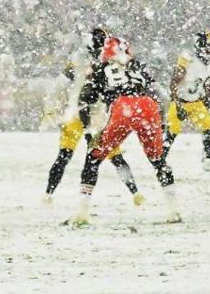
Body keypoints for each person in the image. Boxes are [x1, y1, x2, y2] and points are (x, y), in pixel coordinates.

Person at [70, 35, 182, 226]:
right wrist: (162, 122)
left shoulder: (99, 69)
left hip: (122, 106)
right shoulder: (138, 66)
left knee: (93, 158)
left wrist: (89, 130)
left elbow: (84, 101)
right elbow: (162, 94)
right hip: (148, 106)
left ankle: (81, 213)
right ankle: (174, 210)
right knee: (158, 160)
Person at [44, 26, 141, 205]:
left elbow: (58, 87)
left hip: (94, 114)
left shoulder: (104, 62)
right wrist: (50, 108)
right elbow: (59, 86)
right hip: (83, 113)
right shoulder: (81, 62)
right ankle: (48, 193)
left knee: (108, 156)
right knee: (66, 156)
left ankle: (135, 193)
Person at [168, 31, 210, 174]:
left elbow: (209, 85)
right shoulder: (188, 59)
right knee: (171, 133)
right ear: (199, 45)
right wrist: (178, 104)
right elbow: (173, 83)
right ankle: (160, 158)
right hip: (180, 101)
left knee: (208, 128)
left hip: (196, 102)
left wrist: (209, 90)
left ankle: (208, 161)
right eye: (208, 46)